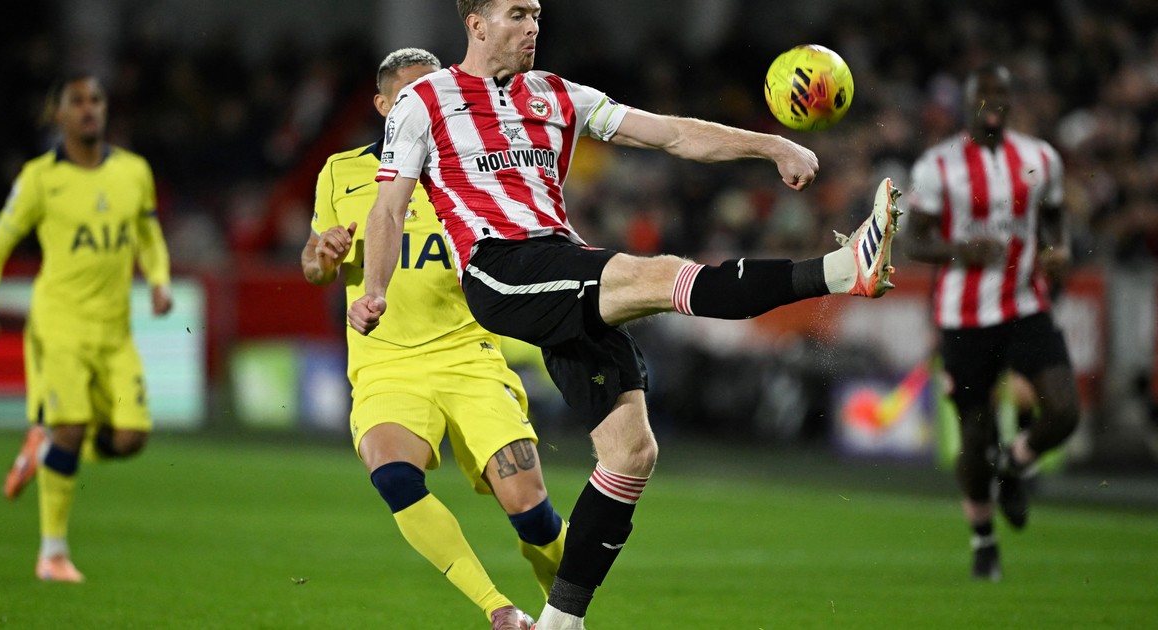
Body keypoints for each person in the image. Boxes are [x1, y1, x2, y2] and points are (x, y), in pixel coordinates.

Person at [348, 2, 900, 628]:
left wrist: (769, 144)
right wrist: (375, 289)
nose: (532, 26)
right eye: (516, 13)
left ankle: (560, 622)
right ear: (476, 24)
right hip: (500, 268)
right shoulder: (425, 100)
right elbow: (388, 207)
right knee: (656, 274)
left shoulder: (558, 94)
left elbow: (670, 134)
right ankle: (840, 271)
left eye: (536, 13)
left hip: (559, 262)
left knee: (631, 452)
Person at [301, 48, 564, 630]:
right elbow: (314, 265)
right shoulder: (340, 172)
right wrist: (323, 256)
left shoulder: (481, 168)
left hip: (468, 355)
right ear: (382, 106)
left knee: (531, 513)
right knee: (394, 476)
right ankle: (499, 609)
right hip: (385, 364)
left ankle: (567, 615)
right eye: (408, 96)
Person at [0, 73, 173, 583]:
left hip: (115, 331)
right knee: (72, 426)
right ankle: (52, 553)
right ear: (58, 113)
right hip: (58, 326)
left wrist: (159, 280)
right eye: (77, 101)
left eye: (96, 100)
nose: (89, 109)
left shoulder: (133, 171)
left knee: (130, 438)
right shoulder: (40, 178)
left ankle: (43, 448)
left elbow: (148, 233)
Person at [904, 63, 1080, 582]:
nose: (994, 101)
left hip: (1026, 303)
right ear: (967, 103)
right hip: (964, 315)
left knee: (1064, 412)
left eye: (1002, 92)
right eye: (984, 93)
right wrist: (959, 250)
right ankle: (983, 540)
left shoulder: (1040, 158)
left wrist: (1058, 248)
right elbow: (913, 240)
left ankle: (1016, 465)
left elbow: (1053, 214)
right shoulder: (938, 165)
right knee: (975, 436)